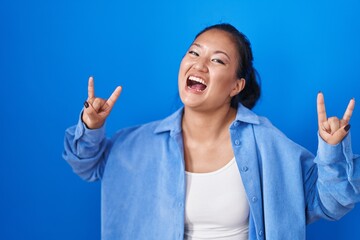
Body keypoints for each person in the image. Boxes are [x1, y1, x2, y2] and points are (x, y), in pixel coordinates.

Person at [63, 23, 360, 240]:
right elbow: (86, 165)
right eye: (194, 53)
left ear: (236, 86)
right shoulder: (137, 144)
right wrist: (91, 127)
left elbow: (331, 201)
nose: (200, 64)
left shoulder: (267, 144)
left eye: (217, 60)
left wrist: (331, 148)